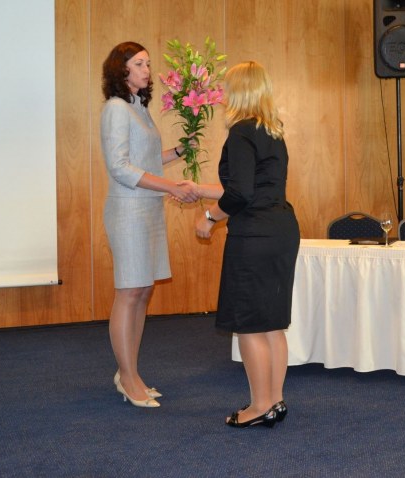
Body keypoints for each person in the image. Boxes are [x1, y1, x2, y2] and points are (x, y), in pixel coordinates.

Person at [190, 61, 300, 428]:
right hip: (281, 229)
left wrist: (209, 218)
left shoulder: (240, 132)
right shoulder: (273, 131)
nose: (221, 95)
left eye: (226, 88)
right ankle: (275, 400)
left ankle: (259, 406)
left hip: (254, 235)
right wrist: (201, 191)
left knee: (251, 325)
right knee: (272, 324)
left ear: (239, 92)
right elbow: (254, 187)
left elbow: (239, 194)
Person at [100, 41, 199, 408]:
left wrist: (180, 151)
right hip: (128, 211)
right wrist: (171, 186)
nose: (147, 70)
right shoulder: (115, 108)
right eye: (139, 63)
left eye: (148, 63)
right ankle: (126, 377)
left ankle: (131, 372)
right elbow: (120, 167)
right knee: (129, 292)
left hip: (148, 209)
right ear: (121, 69)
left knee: (143, 291)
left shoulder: (138, 107)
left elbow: (146, 159)